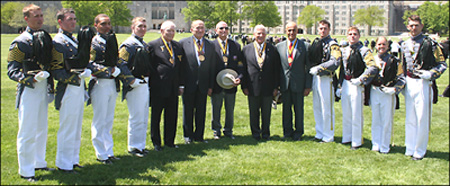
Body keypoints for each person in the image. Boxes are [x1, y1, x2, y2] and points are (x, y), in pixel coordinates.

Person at [7, 4, 55, 182]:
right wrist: (31, 79)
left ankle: (39, 162)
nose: (40, 19)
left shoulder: (44, 37)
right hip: (29, 89)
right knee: (27, 131)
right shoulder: (21, 41)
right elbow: (12, 70)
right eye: (36, 16)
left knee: (41, 128)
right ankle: (26, 170)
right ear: (26, 18)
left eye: (41, 15)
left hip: (42, 89)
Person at [400, 15, 447, 160]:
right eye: (411, 25)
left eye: (416, 25)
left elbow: (442, 65)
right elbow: (402, 65)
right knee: (410, 118)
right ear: (408, 27)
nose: (413, 28)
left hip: (423, 82)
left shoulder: (431, 44)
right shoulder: (404, 44)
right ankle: (410, 146)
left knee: (422, 118)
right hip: (409, 82)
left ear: (421, 26)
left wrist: (430, 74)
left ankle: (420, 150)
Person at [51, 8, 91, 174]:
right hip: (67, 87)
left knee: (76, 126)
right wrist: (76, 76)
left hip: (78, 87)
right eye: (69, 19)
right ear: (60, 21)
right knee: (67, 127)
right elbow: (56, 70)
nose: (73, 22)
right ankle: (63, 163)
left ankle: (73, 159)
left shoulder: (73, 39)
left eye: (74, 19)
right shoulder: (58, 42)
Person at [336, 26, 379, 150]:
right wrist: (339, 85)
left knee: (356, 113)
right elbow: (342, 69)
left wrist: (361, 79)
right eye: (350, 34)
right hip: (346, 82)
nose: (352, 36)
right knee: (346, 112)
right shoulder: (344, 50)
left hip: (357, 83)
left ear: (359, 36)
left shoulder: (364, 50)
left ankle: (356, 140)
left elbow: (372, 67)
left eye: (355, 34)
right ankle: (347, 137)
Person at [87, 14, 122, 164]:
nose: (107, 26)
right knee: (100, 119)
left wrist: (117, 69)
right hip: (99, 82)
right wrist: (107, 70)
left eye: (108, 23)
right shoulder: (93, 42)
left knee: (108, 119)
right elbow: (89, 62)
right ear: (96, 25)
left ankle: (109, 150)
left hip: (111, 83)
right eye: (103, 24)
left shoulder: (110, 39)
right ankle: (101, 153)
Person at [148, 20, 185, 150]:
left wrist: (181, 85)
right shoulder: (153, 45)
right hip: (158, 87)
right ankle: (156, 142)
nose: (171, 33)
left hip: (174, 88)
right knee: (156, 116)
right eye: (168, 30)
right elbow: (150, 67)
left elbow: (181, 67)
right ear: (162, 31)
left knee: (172, 116)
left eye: (173, 30)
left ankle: (170, 141)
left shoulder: (177, 46)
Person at [118, 17, 152, 157]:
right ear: (133, 27)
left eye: (144, 26)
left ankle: (140, 145)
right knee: (136, 117)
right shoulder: (128, 45)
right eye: (139, 26)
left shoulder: (143, 44)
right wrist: (130, 80)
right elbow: (120, 63)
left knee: (143, 117)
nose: (142, 29)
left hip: (144, 84)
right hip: (135, 85)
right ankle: (133, 146)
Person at [180, 20, 217, 144]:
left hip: (203, 84)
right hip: (188, 83)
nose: (200, 30)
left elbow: (212, 67)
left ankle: (199, 136)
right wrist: (181, 84)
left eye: (202, 28)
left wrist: (210, 86)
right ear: (191, 30)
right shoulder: (183, 43)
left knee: (201, 111)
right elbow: (180, 66)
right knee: (188, 111)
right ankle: (188, 136)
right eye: (197, 28)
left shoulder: (210, 45)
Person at [241, 25, 281, 141]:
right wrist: (244, 86)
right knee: (253, 112)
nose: (260, 35)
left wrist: (276, 87)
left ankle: (266, 133)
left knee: (266, 112)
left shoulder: (272, 49)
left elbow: (276, 69)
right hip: (252, 87)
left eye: (263, 33)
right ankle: (255, 133)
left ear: (266, 35)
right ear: (254, 35)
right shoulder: (246, 49)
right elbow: (243, 69)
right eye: (258, 33)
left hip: (268, 87)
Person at [276, 21, 311, 141]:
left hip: (299, 84)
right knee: (286, 110)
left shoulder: (305, 46)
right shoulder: (279, 46)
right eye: (289, 30)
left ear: (297, 31)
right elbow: (277, 68)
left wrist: (308, 85)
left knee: (298, 110)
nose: (291, 32)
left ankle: (298, 132)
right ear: (286, 31)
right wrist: (276, 86)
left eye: (294, 30)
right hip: (285, 84)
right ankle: (287, 132)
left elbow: (308, 67)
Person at [369, 36, 405, 154]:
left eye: (383, 44)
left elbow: (401, 79)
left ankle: (385, 145)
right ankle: (375, 143)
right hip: (375, 91)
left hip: (387, 92)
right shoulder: (372, 59)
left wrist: (394, 89)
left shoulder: (394, 60)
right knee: (375, 119)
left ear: (388, 46)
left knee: (386, 120)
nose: (381, 47)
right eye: (379, 44)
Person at [308, 20, 341, 143]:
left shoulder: (333, 44)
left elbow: (335, 61)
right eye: (321, 28)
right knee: (317, 107)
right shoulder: (317, 42)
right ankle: (319, 133)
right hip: (316, 78)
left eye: (325, 28)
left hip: (327, 78)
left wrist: (320, 68)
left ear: (329, 30)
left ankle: (328, 135)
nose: (322, 31)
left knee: (327, 108)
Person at [210, 21, 244, 140]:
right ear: (216, 30)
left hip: (231, 84)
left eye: (226, 28)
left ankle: (228, 130)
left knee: (230, 109)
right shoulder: (211, 45)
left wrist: (239, 78)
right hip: (216, 84)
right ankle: (216, 131)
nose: (224, 30)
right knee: (216, 109)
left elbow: (240, 65)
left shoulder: (236, 45)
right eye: (221, 28)